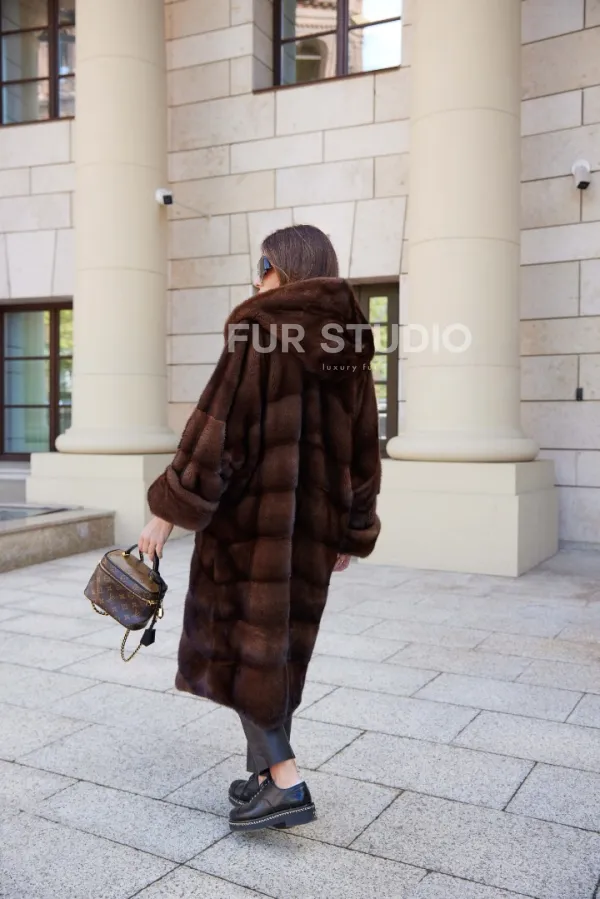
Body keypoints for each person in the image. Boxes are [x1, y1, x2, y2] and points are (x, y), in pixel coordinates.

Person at [138, 224, 381, 832]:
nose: (256, 277)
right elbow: (363, 450)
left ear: (287, 268)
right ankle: (265, 776)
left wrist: (166, 511)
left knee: (249, 649)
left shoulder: (257, 331)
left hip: (251, 524)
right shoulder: (350, 342)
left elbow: (215, 436)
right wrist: (352, 529)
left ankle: (287, 783)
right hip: (314, 529)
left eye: (264, 265)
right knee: (281, 649)